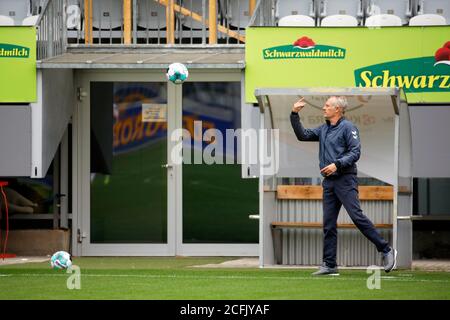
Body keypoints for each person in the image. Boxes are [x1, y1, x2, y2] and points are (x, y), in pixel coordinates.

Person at [290, 96, 397, 276]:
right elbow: (303, 135)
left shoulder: (348, 127)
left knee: (356, 216)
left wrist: (336, 164)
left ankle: (386, 250)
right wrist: (294, 114)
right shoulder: (324, 129)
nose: (323, 108)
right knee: (329, 224)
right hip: (329, 183)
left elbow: (355, 152)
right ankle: (330, 265)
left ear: (337, 109)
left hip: (345, 180)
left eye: (327, 106)